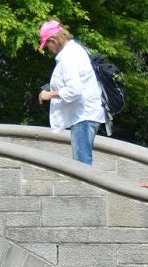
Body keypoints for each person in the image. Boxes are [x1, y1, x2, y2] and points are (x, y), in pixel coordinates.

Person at [36, 20, 106, 166]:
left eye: (47, 44)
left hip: (83, 116)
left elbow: (74, 90)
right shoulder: (76, 50)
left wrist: (49, 95)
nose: (48, 48)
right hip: (87, 114)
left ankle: (83, 190)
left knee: (82, 166)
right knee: (83, 163)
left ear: (54, 40)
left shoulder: (69, 57)